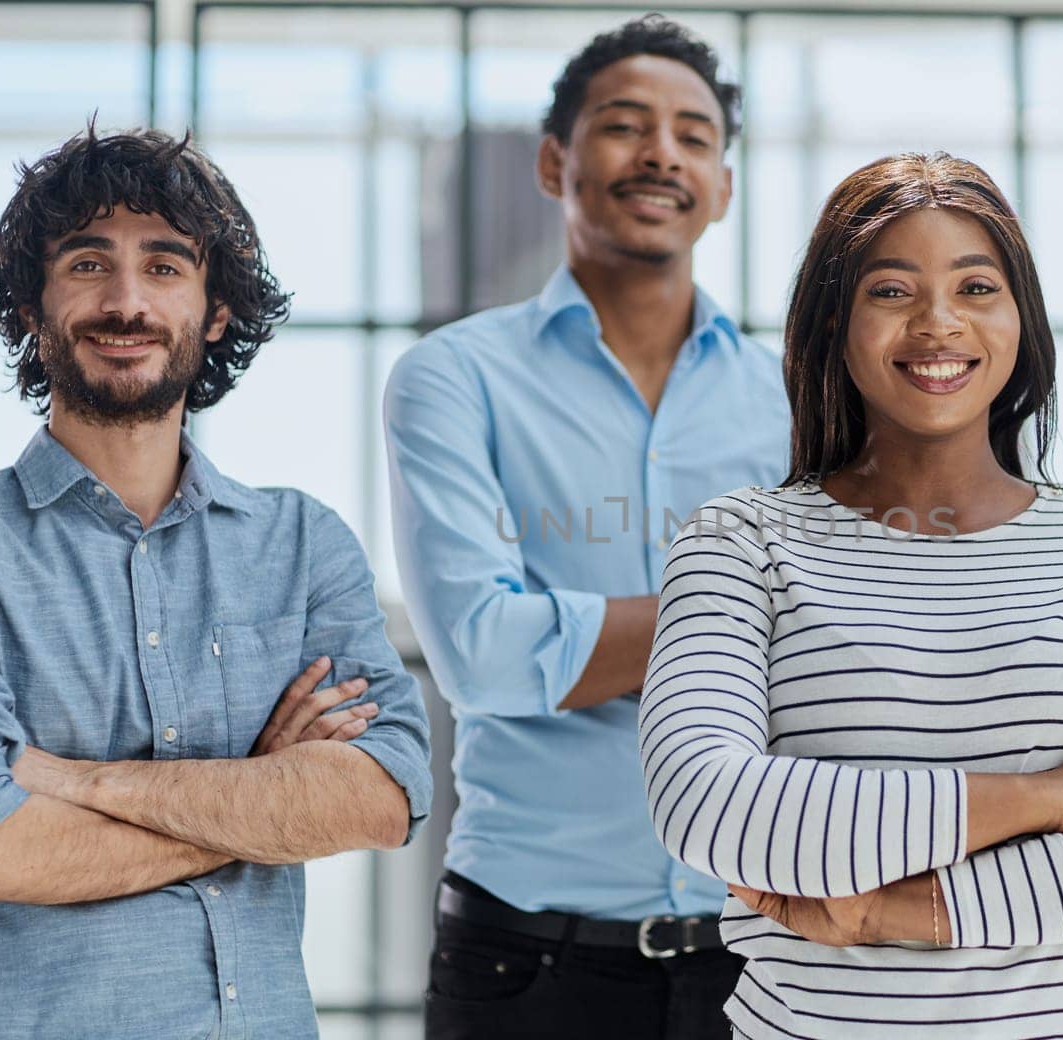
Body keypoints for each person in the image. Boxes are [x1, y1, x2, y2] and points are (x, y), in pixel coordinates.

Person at [639, 152, 1063, 1040]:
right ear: (834, 326)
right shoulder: (739, 542)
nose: (938, 323)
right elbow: (708, 805)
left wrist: (891, 913)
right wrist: (1049, 798)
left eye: (976, 287)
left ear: (1020, 320)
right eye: (891, 291)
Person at [0, 126, 433, 1040]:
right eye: (87, 264)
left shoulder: (304, 542)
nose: (126, 302)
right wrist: (263, 796)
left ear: (216, 310)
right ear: (33, 309)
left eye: (164, 267)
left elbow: (381, 795)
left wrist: (71, 782)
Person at [384, 15, 788, 1039]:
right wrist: (750, 619)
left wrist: (584, 637)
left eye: (694, 135)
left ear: (724, 187)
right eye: (624, 124)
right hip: (522, 960)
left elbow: (847, 654)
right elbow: (479, 651)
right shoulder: (453, 377)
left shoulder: (797, 398)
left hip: (764, 954)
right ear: (555, 160)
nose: (661, 151)